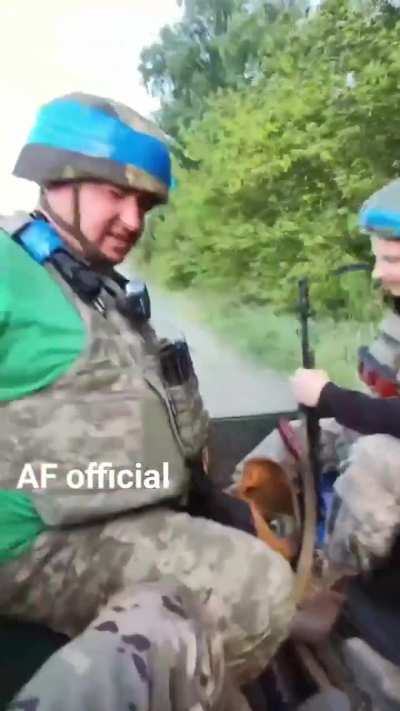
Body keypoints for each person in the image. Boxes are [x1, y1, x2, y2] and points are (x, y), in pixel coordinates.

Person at [0, 92, 295, 696]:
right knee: (255, 585)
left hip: (121, 515)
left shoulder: (94, 286)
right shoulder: (8, 269)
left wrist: (211, 497)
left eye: (145, 204)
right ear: (58, 179)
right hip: (37, 543)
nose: (133, 221)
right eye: (116, 194)